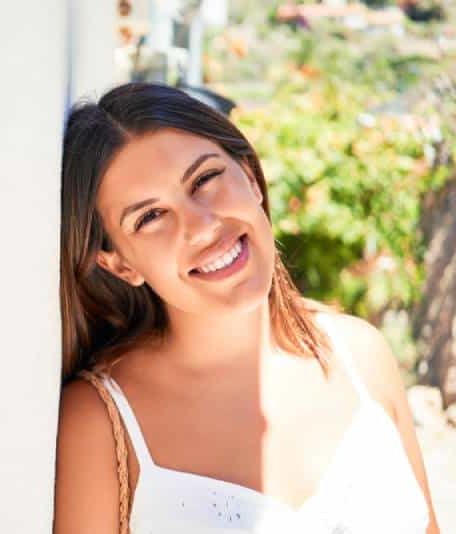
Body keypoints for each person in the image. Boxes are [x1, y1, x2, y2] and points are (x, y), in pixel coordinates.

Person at [53, 82, 440, 534]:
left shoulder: (362, 355)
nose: (201, 228)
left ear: (250, 177)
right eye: (150, 217)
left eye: (204, 180)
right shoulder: (98, 423)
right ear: (119, 263)